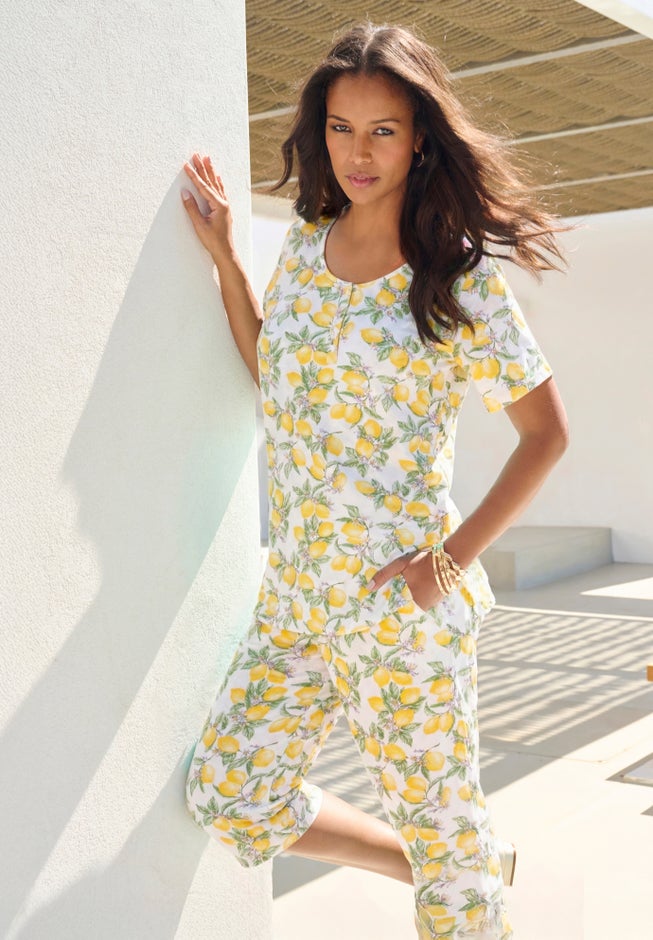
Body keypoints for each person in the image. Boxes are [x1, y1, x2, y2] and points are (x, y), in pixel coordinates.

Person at [180, 22, 569, 940]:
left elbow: (546, 436)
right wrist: (228, 259)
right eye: (341, 128)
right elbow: (275, 374)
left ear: (419, 137)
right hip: (296, 598)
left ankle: (456, 868)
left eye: (382, 131)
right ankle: (443, 860)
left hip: (398, 606)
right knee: (229, 789)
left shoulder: (456, 278)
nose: (358, 153)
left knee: (452, 865)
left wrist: (448, 560)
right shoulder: (304, 251)